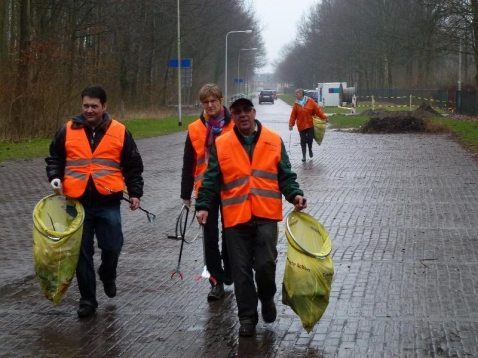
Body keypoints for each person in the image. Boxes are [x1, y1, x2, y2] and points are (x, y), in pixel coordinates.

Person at [195, 96, 307, 337]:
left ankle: (266, 298)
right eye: (237, 112)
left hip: (266, 216)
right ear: (232, 116)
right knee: (241, 270)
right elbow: (211, 178)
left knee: (265, 265)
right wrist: (203, 205)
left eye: (247, 110)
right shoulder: (222, 144)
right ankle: (247, 317)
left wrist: (295, 195)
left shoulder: (273, 140)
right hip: (235, 218)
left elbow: (285, 175)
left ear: (254, 113)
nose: (243, 114)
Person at [45, 86, 144, 318]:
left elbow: (133, 165)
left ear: (104, 107)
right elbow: (55, 157)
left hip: (108, 201)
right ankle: (88, 300)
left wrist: (136, 193)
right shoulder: (67, 130)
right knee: (81, 254)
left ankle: (108, 274)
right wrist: (55, 177)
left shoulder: (120, 131)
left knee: (112, 246)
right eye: (85, 106)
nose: (89, 110)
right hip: (76, 203)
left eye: (94, 106)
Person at [180, 83, 234, 301]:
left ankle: (229, 269)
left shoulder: (234, 125)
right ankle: (216, 281)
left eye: (213, 101)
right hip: (205, 191)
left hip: (232, 188)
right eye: (206, 102)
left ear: (221, 100)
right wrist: (186, 195)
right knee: (209, 238)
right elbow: (188, 163)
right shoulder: (194, 128)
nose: (210, 105)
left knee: (231, 234)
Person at [288, 88, 327, 162]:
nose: (296, 95)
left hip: (309, 124)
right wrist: (291, 124)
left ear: (302, 94)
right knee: (303, 140)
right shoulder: (296, 104)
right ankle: (304, 156)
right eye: (295, 93)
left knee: (309, 139)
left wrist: (324, 117)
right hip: (301, 125)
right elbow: (293, 115)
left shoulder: (310, 101)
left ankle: (310, 149)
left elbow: (318, 110)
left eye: (297, 93)